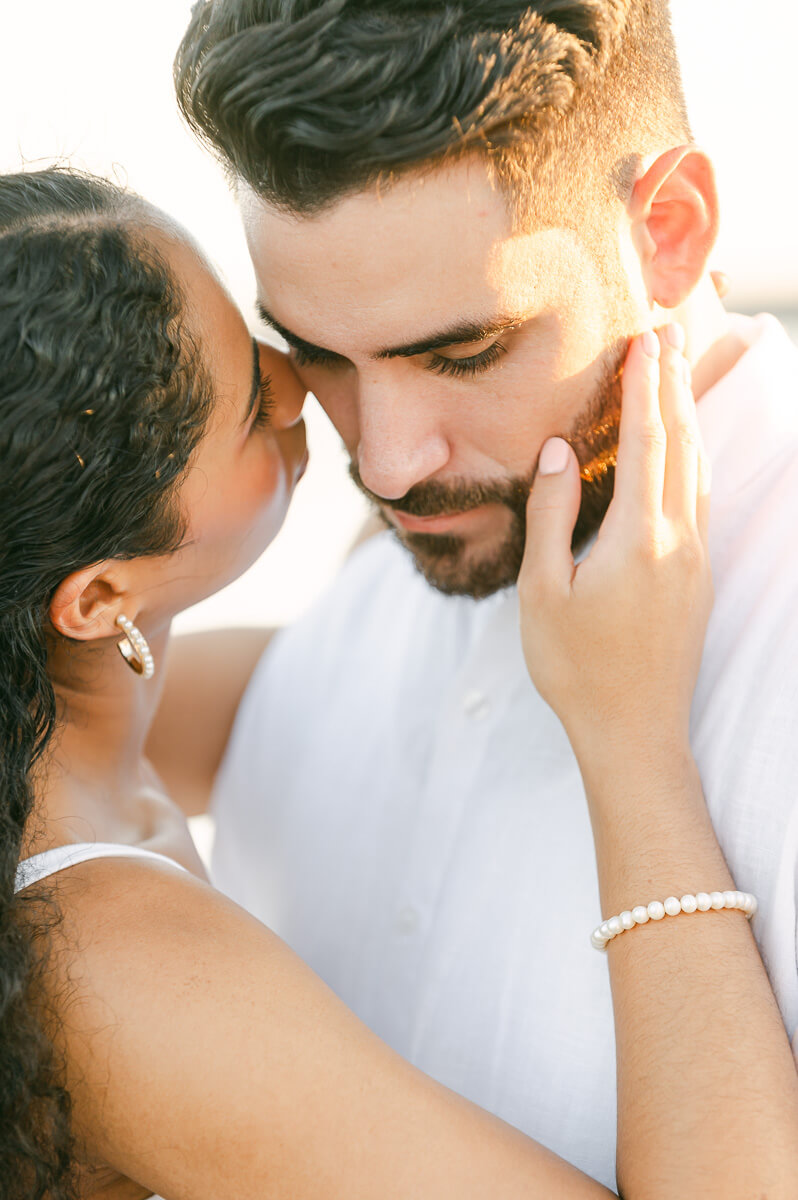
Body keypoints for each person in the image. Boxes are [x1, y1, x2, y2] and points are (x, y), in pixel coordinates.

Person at [3, 167, 797, 1199]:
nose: (302, 394)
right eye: (252, 404)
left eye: (275, 346)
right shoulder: (119, 977)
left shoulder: (78, 732)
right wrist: (633, 741)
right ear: (104, 597)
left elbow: (327, 685)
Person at [164, 0, 798, 1189]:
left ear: (665, 229)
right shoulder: (416, 543)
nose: (388, 461)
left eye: (462, 354)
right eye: (317, 353)